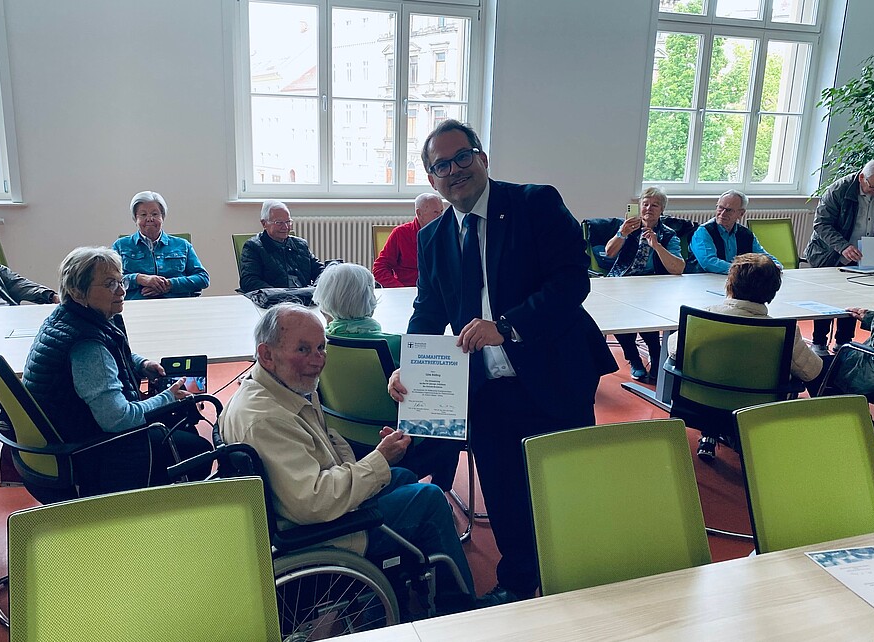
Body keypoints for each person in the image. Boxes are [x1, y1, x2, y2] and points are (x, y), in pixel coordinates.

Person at [388, 120, 616, 606]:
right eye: (442, 165)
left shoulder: (535, 204)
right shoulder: (433, 238)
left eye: (462, 156)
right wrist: (409, 365)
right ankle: (517, 582)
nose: (455, 170)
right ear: (431, 179)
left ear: (482, 158)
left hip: (553, 373)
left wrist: (508, 326)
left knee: (566, 483)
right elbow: (428, 309)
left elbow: (572, 282)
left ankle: (579, 577)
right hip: (486, 386)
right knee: (504, 487)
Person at [217, 303, 479, 615]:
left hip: (303, 508)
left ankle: (405, 586)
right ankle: (461, 609)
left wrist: (378, 459)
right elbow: (314, 502)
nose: (317, 360)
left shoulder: (276, 389)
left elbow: (324, 453)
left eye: (320, 348)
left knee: (404, 477)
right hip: (318, 532)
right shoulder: (266, 419)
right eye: (303, 349)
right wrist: (378, 460)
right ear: (266, 354)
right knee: (430, 499)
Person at [22, 247, 211, 497]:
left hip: (67, 437)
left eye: (121, 281)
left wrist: (141, 364)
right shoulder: (87, 346)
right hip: (93, 454)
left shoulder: (68, 319)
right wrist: (167, 398)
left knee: (179, 424)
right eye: (110, 284)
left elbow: (106, 357)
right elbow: (119, 420)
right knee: (200, 451)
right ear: (77, 291)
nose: (122, 291)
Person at [313, 262, 462, 491]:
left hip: (342, 441)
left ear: (324, 304)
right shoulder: (400, 346)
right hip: (402, 446)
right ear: (371, 301)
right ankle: (441, 490)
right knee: (454, 417)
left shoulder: (315, 348)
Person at [667, 254, 824, 461]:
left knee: (717, 371)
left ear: (729, 284)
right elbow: (812, 371)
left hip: (699, 403)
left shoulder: (701, 319)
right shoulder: (783, 332)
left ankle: (710, 433)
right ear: (773, 292)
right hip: (755, 411)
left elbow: (673, 351)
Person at [806, 158, 874, 356]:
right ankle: (819, 342)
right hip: (830, 253)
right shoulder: (838, 190)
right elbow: (821, 224)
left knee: (853, 296)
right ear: (862, 177)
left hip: (866, 253)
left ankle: (843, 341)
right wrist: (843, 247)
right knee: (826, 298)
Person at [605, 186, 684, 382]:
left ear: (662, 210)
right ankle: (634, 358)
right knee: (620, 318)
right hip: (622, 280)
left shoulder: (668, 234)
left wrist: (657, 245)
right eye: (645, 204)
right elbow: (609, 253)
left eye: (655, 205)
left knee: (647, 316)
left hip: (652, 284)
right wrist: (622, 234)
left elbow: (678, 268)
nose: (649, 208)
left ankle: (655, 353)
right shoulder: (629, 227)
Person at [112, 191, 210, 300]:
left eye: (155, 214)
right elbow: (110, 281)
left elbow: (203, 278)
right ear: (135, 218)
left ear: (162, 217)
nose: (149, 219)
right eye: (143, 214)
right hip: (136, 305)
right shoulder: (120, 246)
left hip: (177, 304)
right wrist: (139, 279)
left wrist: (169, 285)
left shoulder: (183, 245)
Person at [239, 200, 324, 292]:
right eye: (279, 222)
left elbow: (321, 271)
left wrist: (317, 288)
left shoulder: (301, 244)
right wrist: (279, 293)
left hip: (304, 296)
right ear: (264, 223)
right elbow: (249, 281)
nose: (285, 227)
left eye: (288, 222)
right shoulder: (253, 247)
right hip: (276, 298)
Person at [690, 190, 781, 275]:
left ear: (741, 214)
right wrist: (742, 270)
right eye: (720, 207)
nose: (722, 213)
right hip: (704, 279)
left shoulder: (746, 234)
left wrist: (775, 265)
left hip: (736, 280)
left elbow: (763, 256)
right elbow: (708, 262)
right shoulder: (703, 231)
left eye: (729, 210)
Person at [372, 193, 444, 287]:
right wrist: (400, 289)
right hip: (409, 288)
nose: (441, 217)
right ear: (419, 213)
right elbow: (379, 268)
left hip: (439, 290)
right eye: (435, 212)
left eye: (441, 212)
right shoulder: (401, 233)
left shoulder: (446, 232)